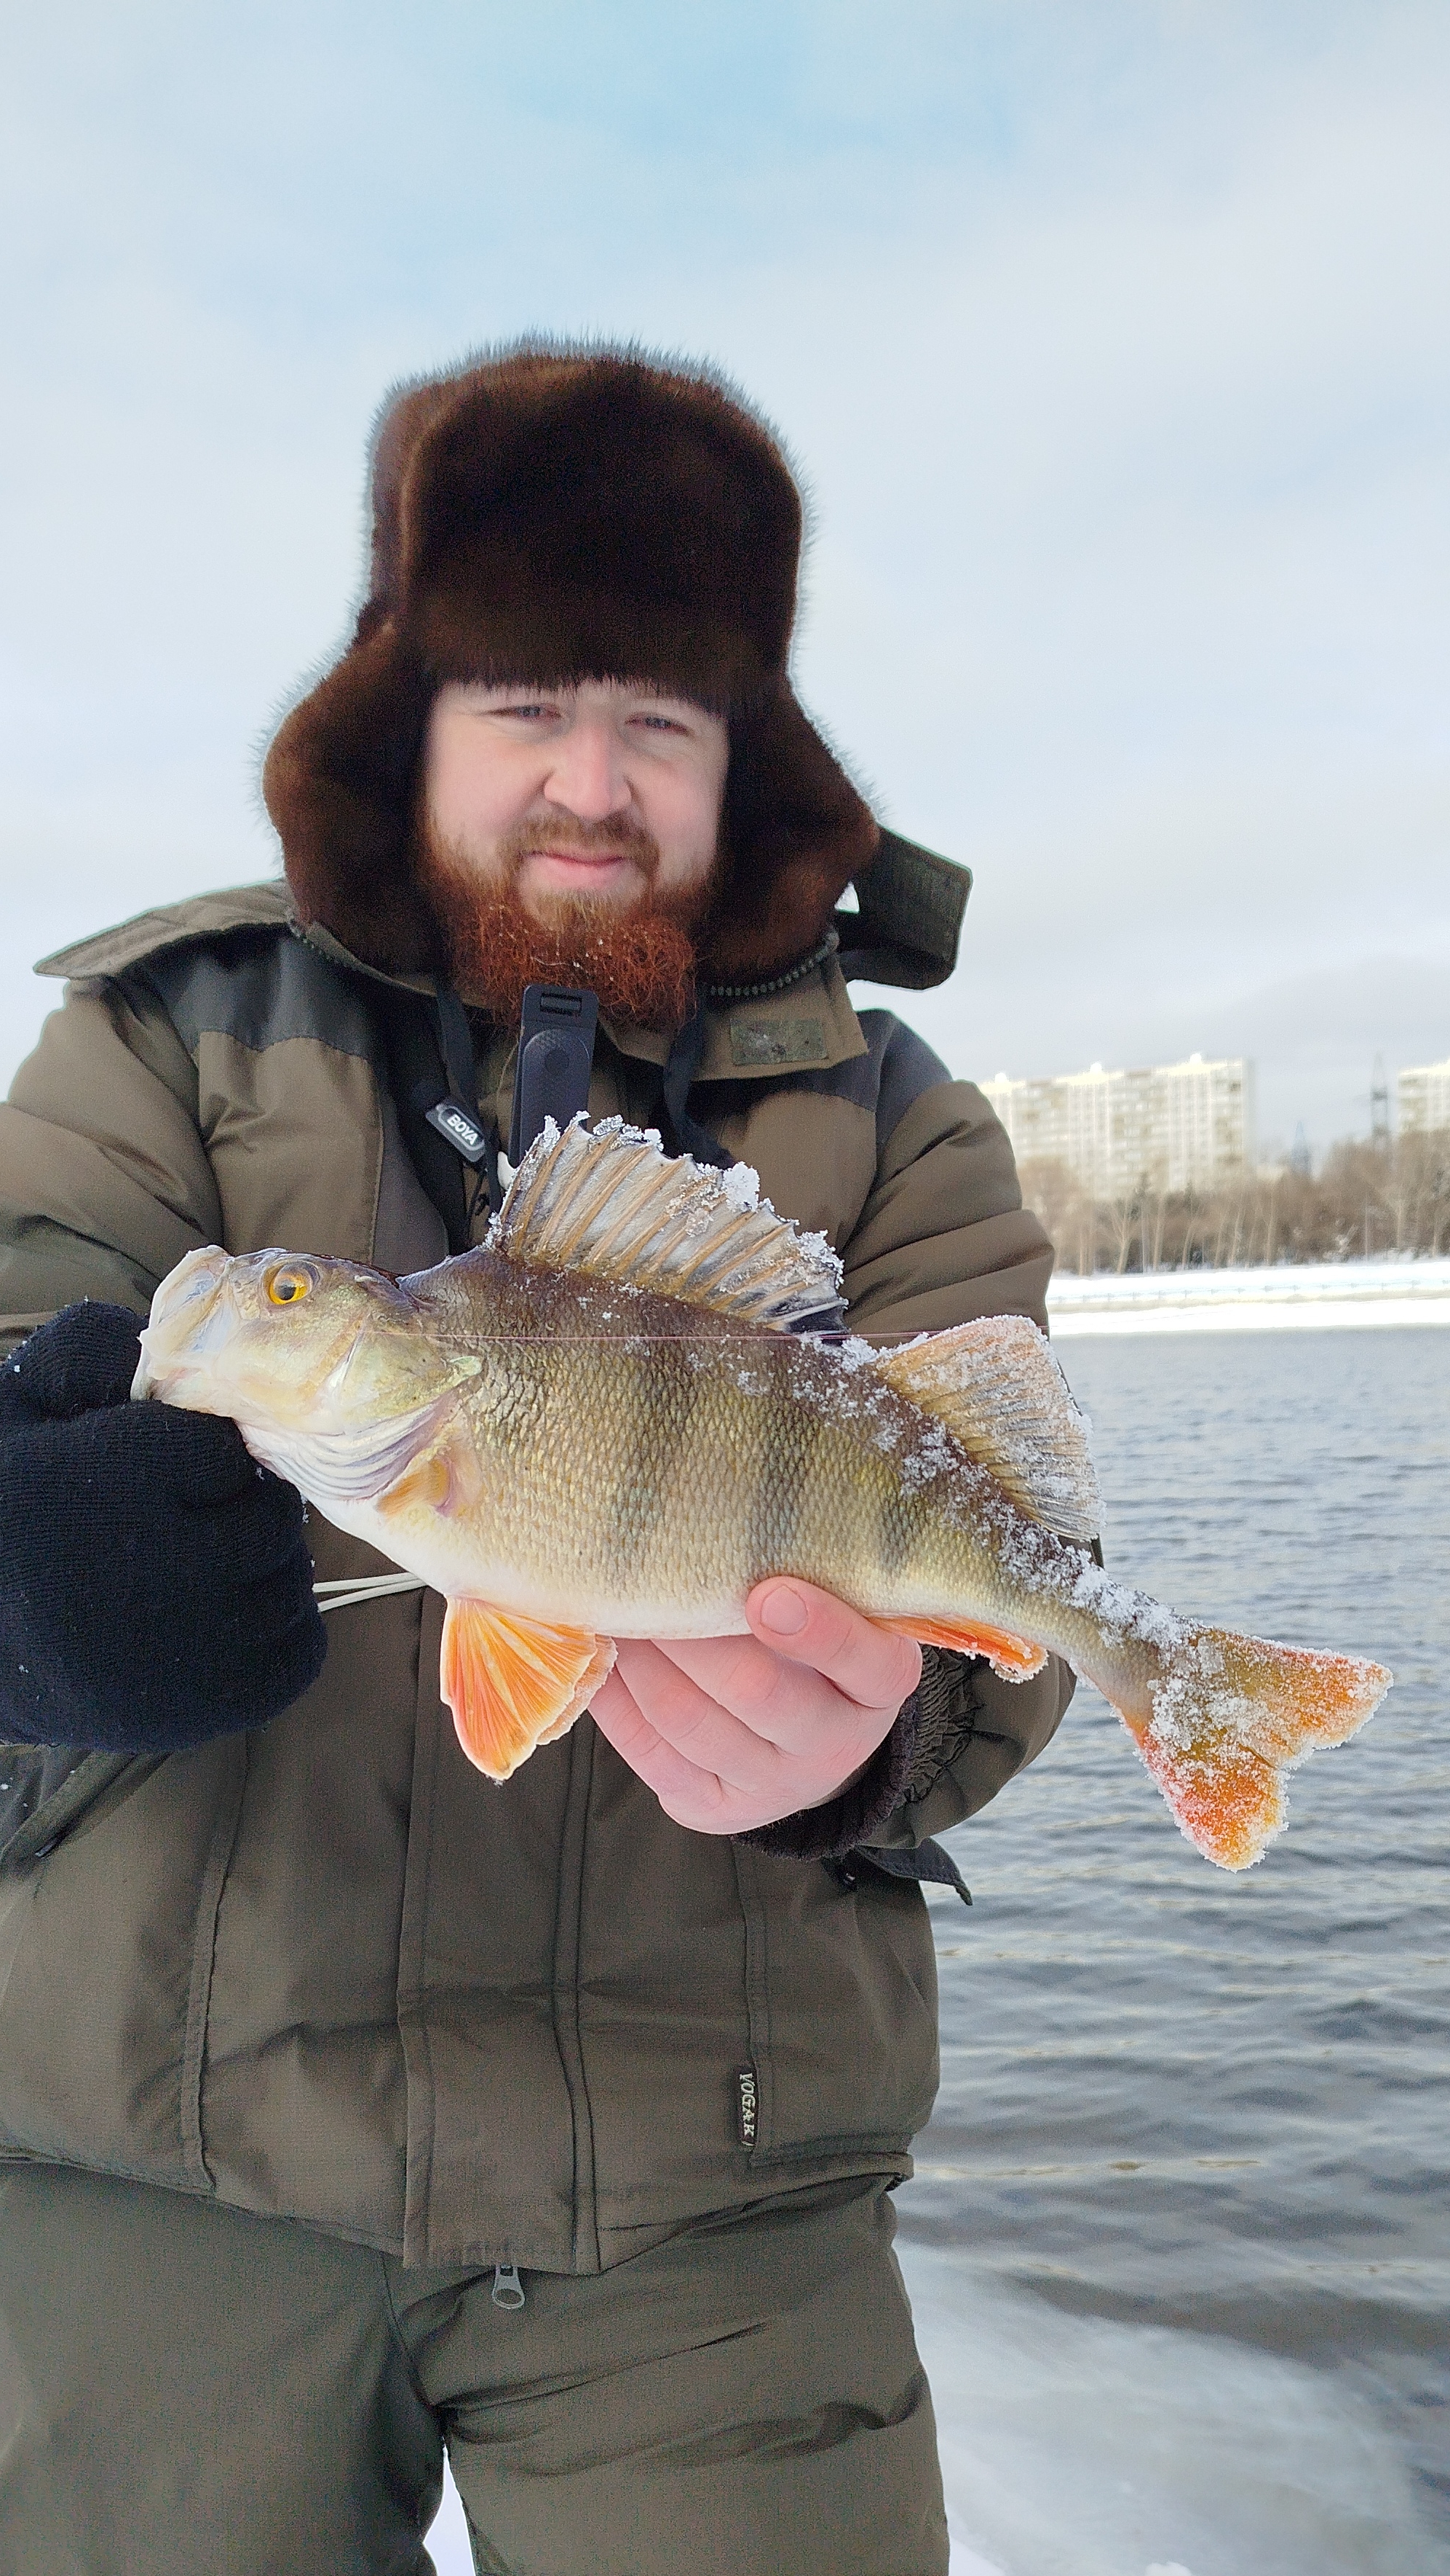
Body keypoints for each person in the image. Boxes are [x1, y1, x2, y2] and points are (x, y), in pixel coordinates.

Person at [0, 343, 1074, 2575]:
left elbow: (1016, 1566)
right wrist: (23, 1567)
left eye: (659, 719)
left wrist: (885, 1735)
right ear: (412, 731)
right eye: (525, 703)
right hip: (151, 2148)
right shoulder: (161, 1037)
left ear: (736, 762)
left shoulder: (897, 1123)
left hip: (717, 2187)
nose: (591, 780)